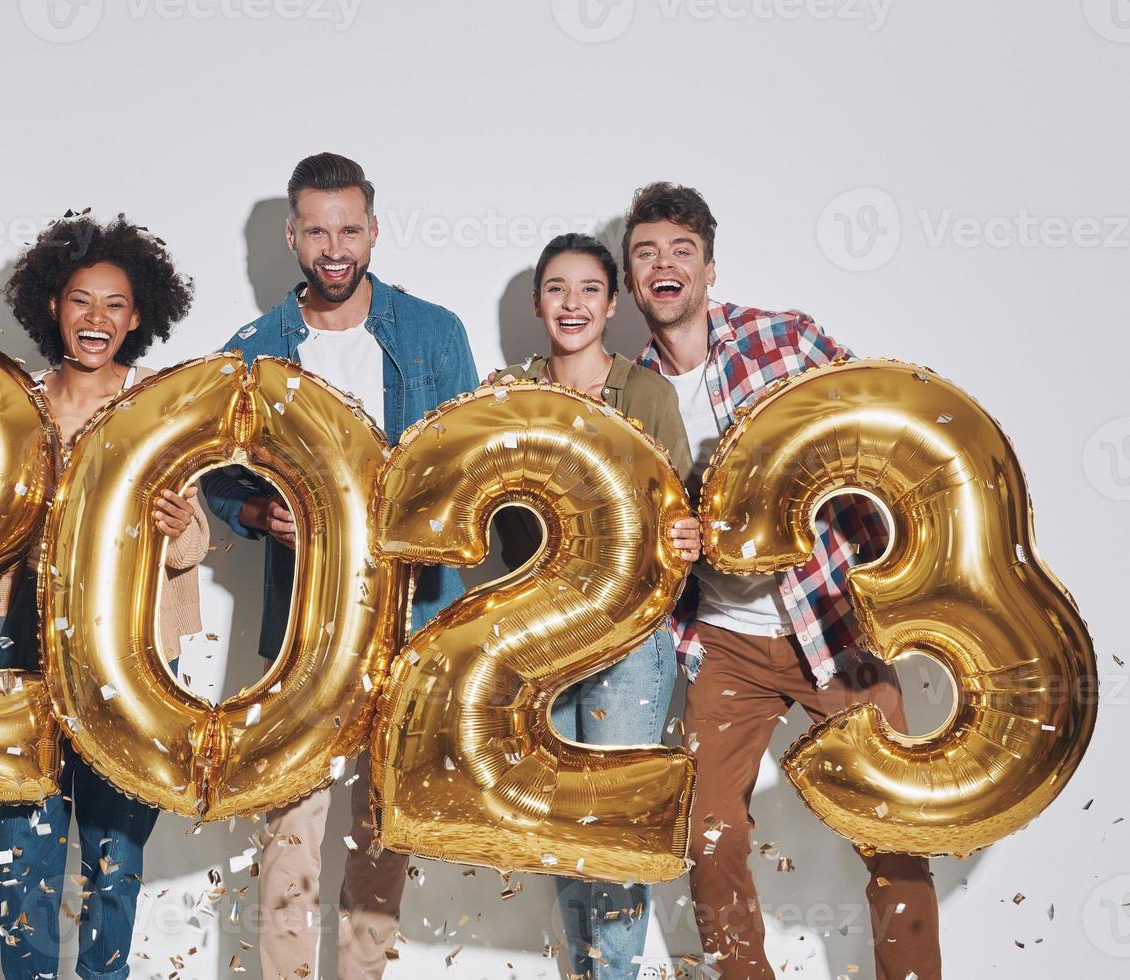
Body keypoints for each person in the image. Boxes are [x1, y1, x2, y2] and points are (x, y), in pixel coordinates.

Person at [622, 182, 942, 979]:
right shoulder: (628, 394)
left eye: (679, 250)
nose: (663, 265)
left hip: (830, 622)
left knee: (891, 823)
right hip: (723, 644)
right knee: (707, 833)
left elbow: (876, 437)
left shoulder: (783, 342)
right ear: (631, 278)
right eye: (645, 252)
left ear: (708, 268)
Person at [0, 214, 204, 979]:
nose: (95, 319)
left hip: (129, 656)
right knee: (21, 850)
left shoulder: (163, 405)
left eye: (113, 305)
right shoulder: (14, 402)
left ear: (138, 317)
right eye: (80, 301)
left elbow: (196, 539)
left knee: (115, 851)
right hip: (20, 644)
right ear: (52, 306)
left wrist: (177, 524)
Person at [201, 152, 478, 980]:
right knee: (289, 831)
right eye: (316, 230)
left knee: (383, 827)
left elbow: (463, 471)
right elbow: (212, 475)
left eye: (348, 229)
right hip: (300, 634)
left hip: (409, 618)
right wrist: (255, 512)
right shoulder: (251, 351)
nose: (333, 247)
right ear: (291, 234)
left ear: (373, 231)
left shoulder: (433, 333)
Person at [488, 232, 700, 979]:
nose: (571, 304)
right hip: (537, 636)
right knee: (555, 820)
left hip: (627, 639)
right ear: (535, 302)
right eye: (556, 289)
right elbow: (498, 527)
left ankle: (614, 974)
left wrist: (684, 533)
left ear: (612, 304)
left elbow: (677, 513)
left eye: (587, 290)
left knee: (610, 825)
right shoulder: (508, 392)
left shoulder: (645, 394)